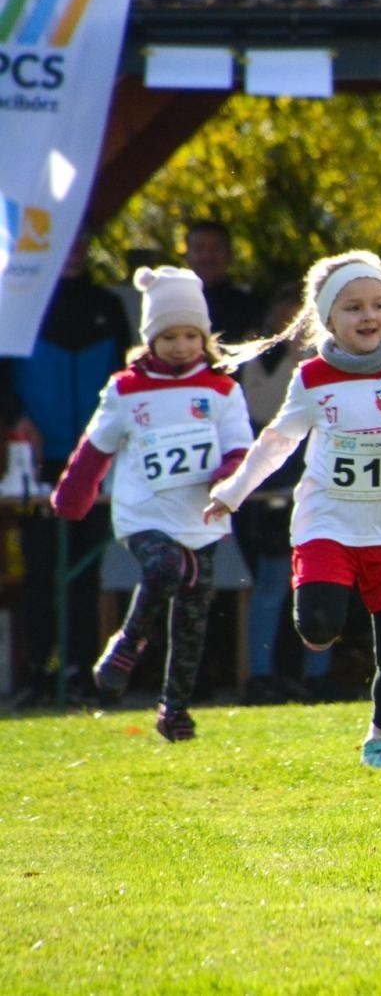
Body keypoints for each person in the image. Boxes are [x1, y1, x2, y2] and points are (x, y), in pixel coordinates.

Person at [204, 250, 381, 769]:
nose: (369, 316)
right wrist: (233, 490)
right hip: (328, 525)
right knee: (317, 626)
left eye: (379, 304)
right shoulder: (313, 377)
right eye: (353, 307)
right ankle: (319, 615)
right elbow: (277, 441)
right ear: (327, 318)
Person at [50, 267, 253, 739]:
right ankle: (129, 640)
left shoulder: (222, 390)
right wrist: (73, 495)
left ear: (204, 338)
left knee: (192, 618)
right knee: (163, 568)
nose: (181, 346)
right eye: (169, 336)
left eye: (190, 335)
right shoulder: (125, 389)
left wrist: (228, 478)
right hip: (143, 514)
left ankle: (175, 708)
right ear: (149, 339)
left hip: (201, 517)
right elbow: (95, 447)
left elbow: (239, 448)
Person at [4, 233, 131, 706]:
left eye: (81, 240)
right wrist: (18, 419)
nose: (73, 249)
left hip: (93, 458)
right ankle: (39, 670)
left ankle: (80, 670)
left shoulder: (106, 306)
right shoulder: (20, 302)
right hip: (38, 460)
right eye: (65, 240)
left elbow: (124, 377)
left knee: (85, 571)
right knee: (40, 569)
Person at [234, 285, 333, 704]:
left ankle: (317, 676)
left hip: (323, 485)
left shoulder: (340, 362)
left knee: (327, 581)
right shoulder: (260, 359)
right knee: (274, 581)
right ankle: (261, 674)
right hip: (275, 488)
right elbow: (263, 412)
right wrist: (294, 359)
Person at [185, 220, 263, 344]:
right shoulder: (175, 301)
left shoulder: (249, 305)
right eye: (199, 249)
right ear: (187, 257)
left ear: (229, 255)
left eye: (216, 249)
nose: (207, 257)